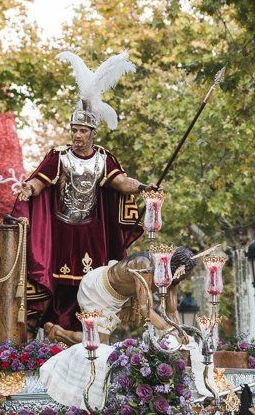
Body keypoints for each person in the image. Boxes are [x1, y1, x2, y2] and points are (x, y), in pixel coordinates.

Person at [14, 50, 154, 339]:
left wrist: (142, 188)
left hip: (92, 234)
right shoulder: (59, 155)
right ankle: (53, 331)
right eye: (74, 130)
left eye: (82, 131)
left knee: (89, 286)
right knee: (61, 286)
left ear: (93, 132)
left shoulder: (105, 159)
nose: (76, 136)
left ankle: (84, 335)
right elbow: (39, 180)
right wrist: (28, 189)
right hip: (62, 232)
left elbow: (121, 182)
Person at [38, 247, 202, 409]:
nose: (184, 279)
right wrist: (170, 330)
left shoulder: (170, 277)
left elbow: (172, 311)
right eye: (184, 275)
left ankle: (59, 334)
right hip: (97, 289)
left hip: (118, 299)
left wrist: (181, 334)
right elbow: (146, 309)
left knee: (102, 348)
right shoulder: (144, 264)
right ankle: (57, 333)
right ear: (177, 268)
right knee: (99, 344)